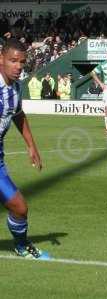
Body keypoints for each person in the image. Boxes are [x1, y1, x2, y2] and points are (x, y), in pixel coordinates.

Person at [0, 38, 49, 259]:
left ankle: (21, 246)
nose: (19, 66)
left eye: (22, 62)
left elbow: (18, 115)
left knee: (19, 208)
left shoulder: (17, 87)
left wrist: (31, 146)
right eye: (13, 61)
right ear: (1, 59)